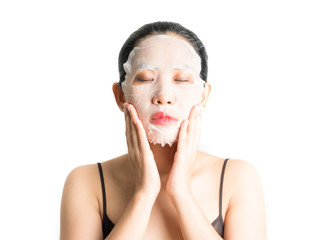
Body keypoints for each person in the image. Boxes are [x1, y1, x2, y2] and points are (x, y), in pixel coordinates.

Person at [60, 21, 267, 240]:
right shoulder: (86, 182)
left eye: (181, 79)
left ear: (203, 95)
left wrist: (181, 193)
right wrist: (144, 193)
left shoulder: (238, 178)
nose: (164, 95)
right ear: (120, 95)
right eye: (146, 78)